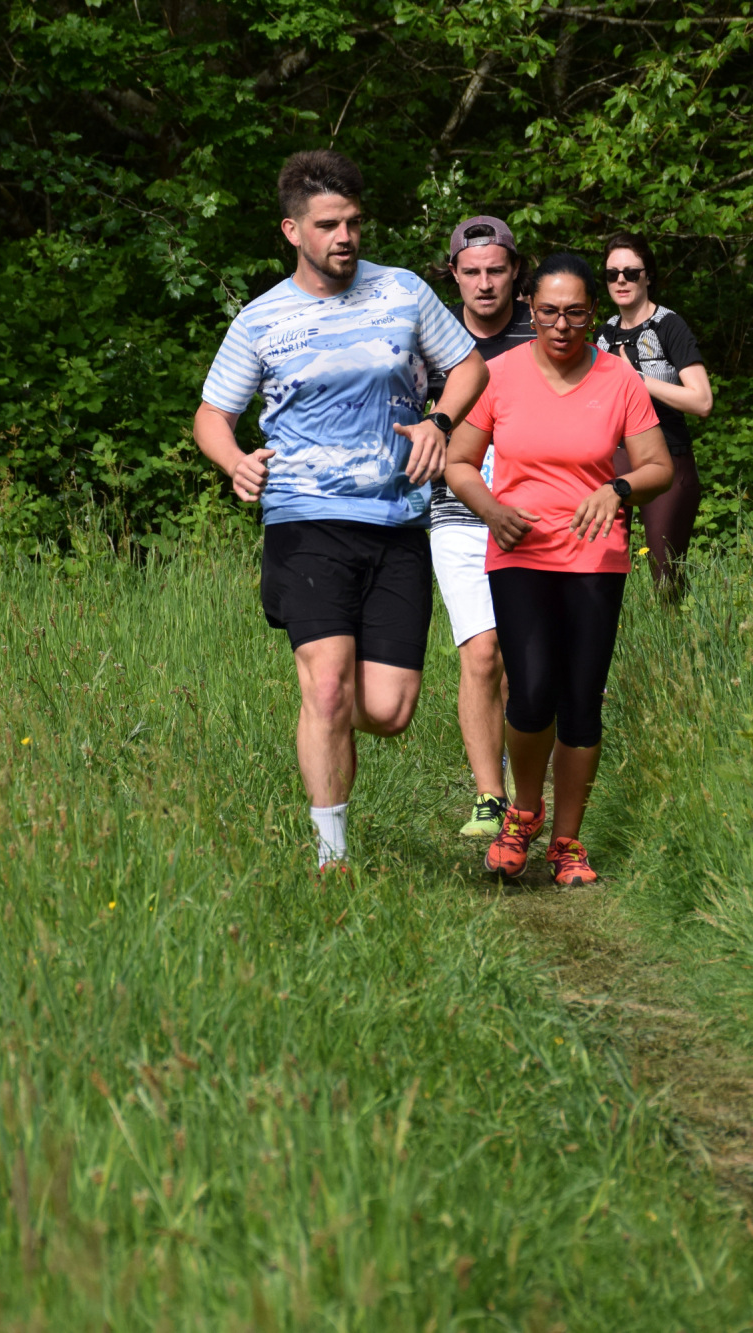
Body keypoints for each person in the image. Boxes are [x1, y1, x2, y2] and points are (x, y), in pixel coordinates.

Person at [193, 150, 489, 871]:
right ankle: (332, 860)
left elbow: (469, 366)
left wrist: (439, 422)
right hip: (304, 518)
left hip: (396, 519)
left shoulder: (404, 291)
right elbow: (211, 415)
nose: (345, 237)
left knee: (387, 710)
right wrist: (234, 461)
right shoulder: (262, 319)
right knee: (327, 687)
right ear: (292, 230)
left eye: (353, 222)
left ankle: (323, 703)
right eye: (328, 225)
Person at [441, 254, 674, 886]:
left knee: (581, 702)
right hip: (520, 553)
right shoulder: (499, 374)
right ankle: (523, 811)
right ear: (531, 309)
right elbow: (458, 462)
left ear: (593, 313)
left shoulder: (619, 380)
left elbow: (659, 467)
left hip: (596, 557)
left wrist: (617, 489)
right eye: (548, 312)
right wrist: (491, 510)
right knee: (532, 692)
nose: (562, 325)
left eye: (574, 313)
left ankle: (567, 842)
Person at [426, 215, 536, 838]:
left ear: (515, 270)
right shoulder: (432, 338)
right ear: (455, 274)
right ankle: (488, 796)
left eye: (496, 270)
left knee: (526, 659)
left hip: (533, 513)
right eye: (471, 272)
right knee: (482, 651)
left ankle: (526, 787)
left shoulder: (542, 331)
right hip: (457, 513)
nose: (485, 283)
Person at [596, 233, 713, 596]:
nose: (621, 280)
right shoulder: (603, 334)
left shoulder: (669, 326)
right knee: (599, 566)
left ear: (648, 276)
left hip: (668, 455)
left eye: (631, 273)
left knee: (667, 576)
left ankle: (675, 631)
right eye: (612, 274)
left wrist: (638, 380)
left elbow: (702, 401)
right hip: (613, 458)